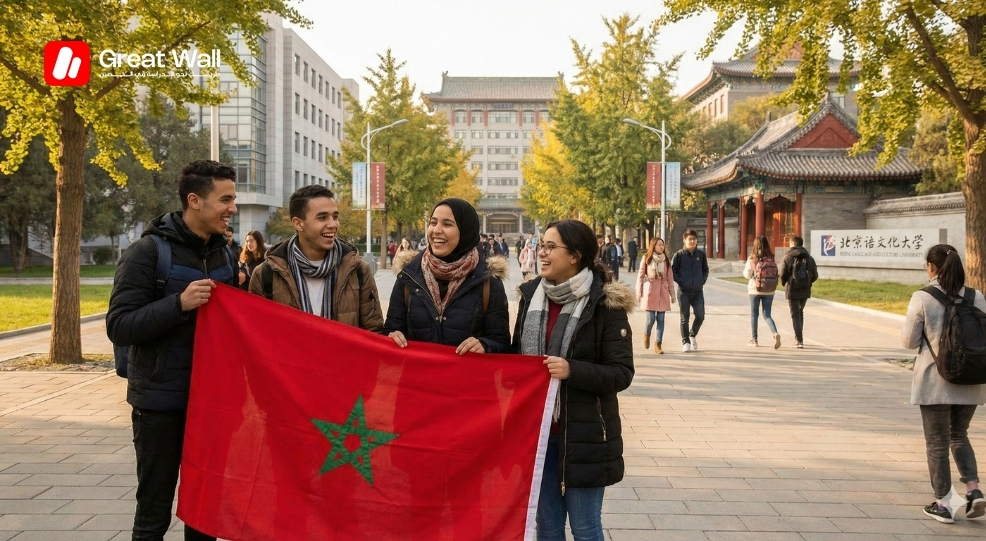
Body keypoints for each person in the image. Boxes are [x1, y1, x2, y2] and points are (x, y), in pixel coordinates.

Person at [107, 160, 239, 541]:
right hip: (160, 405)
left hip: (212, 404)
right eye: (225, 199)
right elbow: (119, 325)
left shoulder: (224, 255)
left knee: (204, 514)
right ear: (195, 200)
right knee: (153, 513)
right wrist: (178, 304)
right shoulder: (147, 252)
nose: (232, 208)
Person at [512, 219, 634, 541]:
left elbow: (621, 372)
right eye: (542, 245)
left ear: (575, 256)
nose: (542, 252)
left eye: (551, 247)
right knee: (547, 530)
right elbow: (515, 360)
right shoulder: (530, 297)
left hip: (585, 438)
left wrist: (572, 370)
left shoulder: (605, 304)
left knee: (585, 529)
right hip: (537, 436)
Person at [902, 244, 986, 524]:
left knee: (937, 442)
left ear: (931, 267)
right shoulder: (976, 296)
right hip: (971, 379)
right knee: (959, 434)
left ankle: (944, 504)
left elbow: (909, 341)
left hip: (935, 381)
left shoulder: (923, 297)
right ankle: (973, 490)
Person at [249, 185, 383, 331]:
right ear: (298, 223)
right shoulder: (266, 274)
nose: (333, 224)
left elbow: (374, 331)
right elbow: (257, 332)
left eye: (335, 217)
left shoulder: (358, 270)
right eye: (322, 217)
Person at [385, 198, 511, 353]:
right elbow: (390, 331)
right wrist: (393, 337)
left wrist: (485, 345)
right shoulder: (409, 275)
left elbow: (501, 343)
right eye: (433, 223)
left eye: (447, 224)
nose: (436, 230)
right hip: (418, 369)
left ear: (465, 231)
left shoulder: (488, 281)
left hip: (465, 369)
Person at [671, 229, 709, 353]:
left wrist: (701, 281)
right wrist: (681, 282)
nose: (692, 241)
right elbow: (673, 271)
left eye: (694, 239)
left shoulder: (701, 255)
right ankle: (685, 342)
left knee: (700, 316)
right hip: (684, 292)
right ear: (684, 240)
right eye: (690, 239)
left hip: (698, 291)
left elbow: (705, 270)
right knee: (684, 318)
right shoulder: (679, 255)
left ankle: (692, 335)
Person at [636, 237, 674, 354]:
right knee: (650, 319)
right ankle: (646, 334)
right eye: (659, 245)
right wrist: (639, 292)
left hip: (663, 291)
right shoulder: (647, 258)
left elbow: (670, 278)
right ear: (653, 246)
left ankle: (658, 344)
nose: (661, 247)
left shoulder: (666, 260)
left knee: (661, 319)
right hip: (651, 291)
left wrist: (672, 294)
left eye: (662, 245)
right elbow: (640, 276)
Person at [779, 236, 818, 348]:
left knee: (795, 314)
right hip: (805, 289)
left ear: (792, 244)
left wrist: (785, 283)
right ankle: (799, 337)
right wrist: (808, 283)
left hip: (792, 289)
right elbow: (815, 275)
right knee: (800, 312)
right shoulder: (809, 258)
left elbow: (782, 274)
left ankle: (799, 340)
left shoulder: (787, 257)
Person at [743, 235, 781, 348]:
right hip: (769, 289)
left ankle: (754, 340)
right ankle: (775, 333)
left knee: (754, 315)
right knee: (767, 315)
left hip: (755, 289)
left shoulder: (752, 258)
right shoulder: (771, 258)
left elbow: (747, 274)